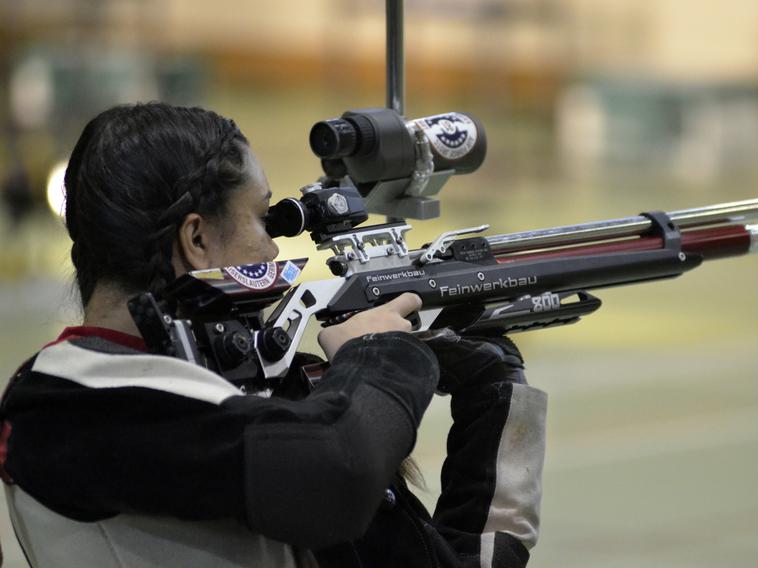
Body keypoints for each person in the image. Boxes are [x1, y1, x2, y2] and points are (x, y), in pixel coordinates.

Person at [0, 102, 547, 568]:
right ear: (196, 239)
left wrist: (494, 390)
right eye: (262, 220)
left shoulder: (223, 402)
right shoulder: (69, 406)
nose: (271, 249)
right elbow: (336, 474)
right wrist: (377, 359)